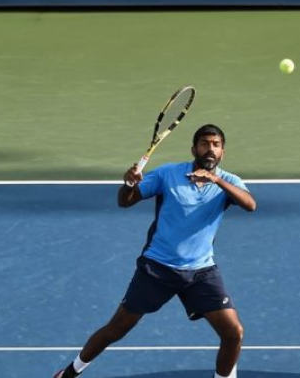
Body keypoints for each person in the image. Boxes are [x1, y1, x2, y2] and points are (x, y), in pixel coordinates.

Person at [54, 124, 257, 378]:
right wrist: (129, 184)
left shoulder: (229, 181)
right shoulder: (167, 174)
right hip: (157, 268)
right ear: (194, 148)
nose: (210, 149)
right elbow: (125, 201)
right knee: (118, 327)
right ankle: (70, 372)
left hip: (201, 272)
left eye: (216, 145)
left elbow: (250, 205)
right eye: (205, 143)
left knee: (233, 332)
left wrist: (216, 180)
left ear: (223, 153)